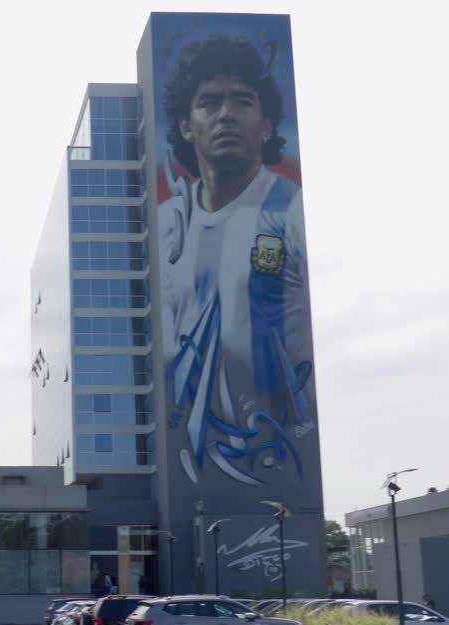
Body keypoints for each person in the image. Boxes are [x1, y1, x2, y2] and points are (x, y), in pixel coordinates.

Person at [159, 33, 315, 488]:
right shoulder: (169, 223)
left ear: (266, 124)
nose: (226, 113)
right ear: (187, 124)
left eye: (242, 101)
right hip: (191, 454)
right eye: (209, 102)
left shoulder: (289, 211)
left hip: (274, 448)